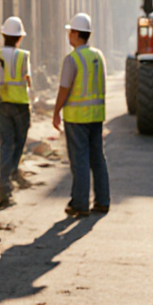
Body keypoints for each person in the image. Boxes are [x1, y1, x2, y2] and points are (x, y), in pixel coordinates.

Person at [52, 12, 109, 219]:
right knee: (98, 159)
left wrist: (56, 111)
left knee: (80, 162)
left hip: (77, 118)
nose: (68, 36)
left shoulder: (72, 59)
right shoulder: (98, 56)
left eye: (70, 32)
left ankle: (80, 204)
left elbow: (64, 88)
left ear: (76, 34)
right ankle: (102, 201)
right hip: (96, 116)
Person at [0, 16, 32, 207]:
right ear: (19, 38)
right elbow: (27, 79)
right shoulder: (23, 56)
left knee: (6, 144)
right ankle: (13, 169)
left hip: (0, 103)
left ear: (3, 35)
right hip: (20, 104)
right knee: (19, 141)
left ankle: (4, 188)